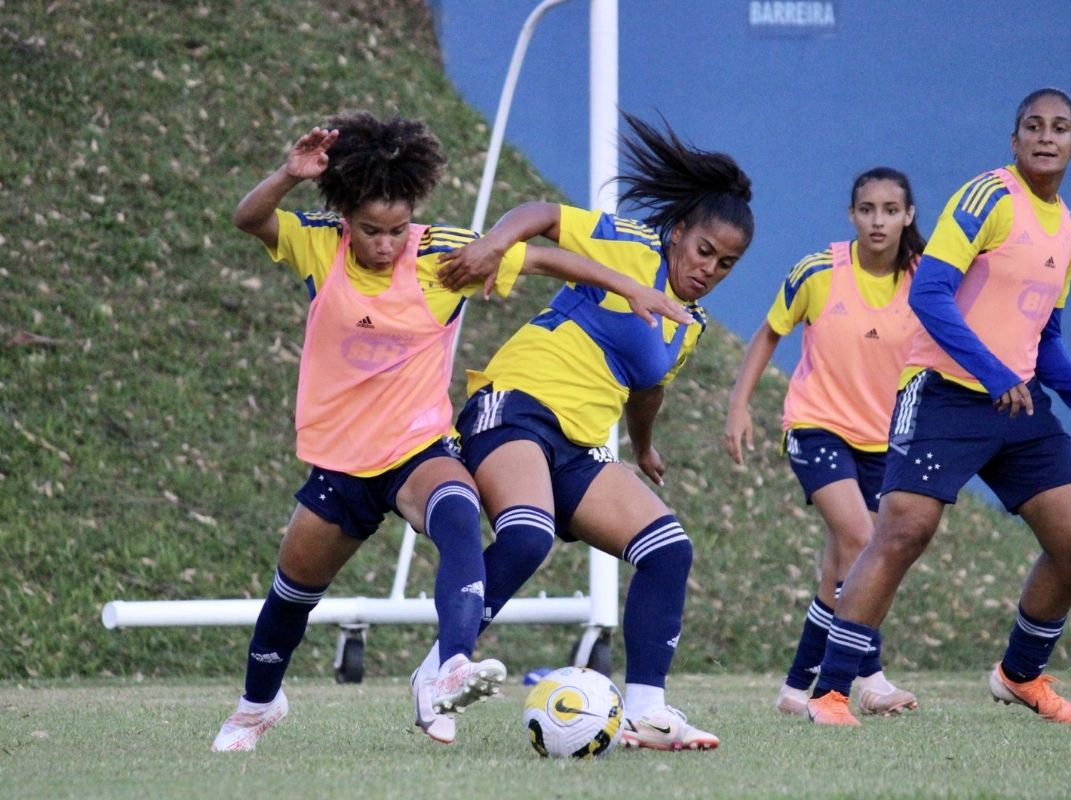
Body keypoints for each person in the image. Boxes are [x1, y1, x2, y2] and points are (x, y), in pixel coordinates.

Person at [212, 111, 690, 751]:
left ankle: (450, 667)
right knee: (293, 595)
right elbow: (248, 219)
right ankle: (256, 705)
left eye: (397, 229)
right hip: (342, 460)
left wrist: (631, 287)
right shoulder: (318, 244)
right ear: (345, 217)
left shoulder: (440, 255)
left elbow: (549, 259)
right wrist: (288, 175)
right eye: (371, 231)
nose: (386, 244)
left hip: (418, 448)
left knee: (459, 509)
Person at [430, 111, 754, 751]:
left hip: (578, 448)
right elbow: (543, 213)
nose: (710, 269)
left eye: (727, 264)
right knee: (527, 534)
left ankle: (646, 711)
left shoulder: (688, 324)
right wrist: (497, 242)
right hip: (515, 406)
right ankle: (442, 670)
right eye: (704, 251)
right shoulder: (630, 246)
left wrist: (644, 446)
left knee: (668, 548)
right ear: (679, 231)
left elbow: (648, 386)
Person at [805, 88, 1071, 726]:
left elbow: (1045, 339)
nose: (1045, 136)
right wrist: (993, 371)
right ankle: (831, 692)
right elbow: (930, 292)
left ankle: (1020, 675)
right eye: (1032, 126)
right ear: (1014, 140)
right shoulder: (989, 198)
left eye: (1060, 128)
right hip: (945, 393)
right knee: (901, 533)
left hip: (1017, 402)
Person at [724, 167, 924, 718]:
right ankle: (872, 678)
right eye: (866, 209)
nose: (877, 220)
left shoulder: (925, 279)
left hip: (885, 442)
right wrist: (739, 406)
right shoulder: (818, 271)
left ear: (908, 215)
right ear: (851, 215)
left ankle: (794, 688)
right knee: (863, 539)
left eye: (889, 209)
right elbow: (769, 332)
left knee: (841, 569)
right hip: (817, 427)